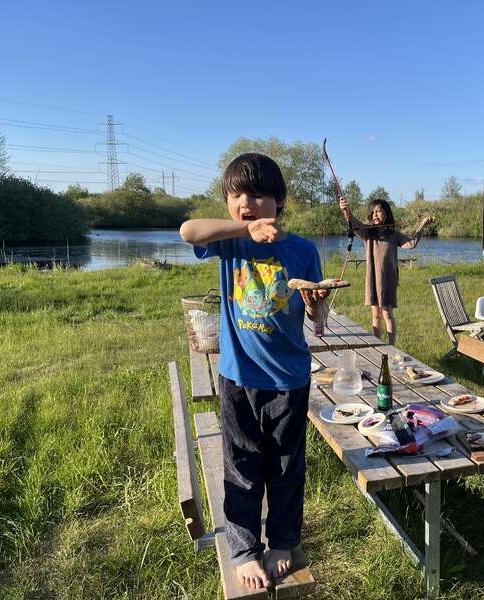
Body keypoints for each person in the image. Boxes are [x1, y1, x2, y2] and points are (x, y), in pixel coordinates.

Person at [179, 153, 327, 591]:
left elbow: (316, 312)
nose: (246, 202)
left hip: (288, 379)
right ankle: (244, 549)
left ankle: (282, 542)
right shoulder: (230, 243)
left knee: (285, 469)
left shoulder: (302, 250)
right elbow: (188, 231)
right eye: (237, 195)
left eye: (259, 195)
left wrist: (317, 308)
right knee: (241, 466)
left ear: (280, 202)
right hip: (238, 376)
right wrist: (244, 229)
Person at [338, 196, 433, 346]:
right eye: (373, 212)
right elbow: (353, 221)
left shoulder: (394, 234)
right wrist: (345, 209)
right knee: (376, 314)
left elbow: (411, 244)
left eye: (379, 211)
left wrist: (422, 225)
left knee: (387, 313)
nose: (375, 214)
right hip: (372, 279)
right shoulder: (367, 232)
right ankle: (378, 346)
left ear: (386, 214)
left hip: (388, 280)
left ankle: (391, 347)